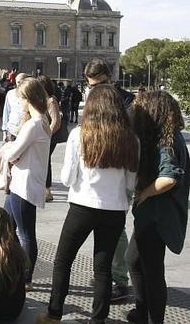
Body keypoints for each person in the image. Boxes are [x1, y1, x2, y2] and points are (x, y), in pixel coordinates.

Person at [37, 85, 139, 324]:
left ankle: (54, 314)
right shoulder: (130, 138)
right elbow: (132, 181)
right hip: (114, 210)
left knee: (63, 260)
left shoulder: (80, 134)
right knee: (102, 268)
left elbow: (67, 178)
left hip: (82, 205)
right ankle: (98, 319)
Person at [126, 91, 189, 324]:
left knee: (152, 272)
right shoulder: (168, 135)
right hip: (153, 216)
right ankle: (142, 311)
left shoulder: (167, 140)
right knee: (133, 260)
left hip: (157, 217)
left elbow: (169, 178)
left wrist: (144, 193)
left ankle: (153, 319)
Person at [84, 58, 133, 301]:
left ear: (110, 79)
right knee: (101, 227)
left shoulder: (127, 101)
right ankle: (107, 272)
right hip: (98, 169)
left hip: (120, 172)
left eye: (101, 85)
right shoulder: (92, 98)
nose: (98, 91)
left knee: (118, 229)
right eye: (93, 86)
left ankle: (120, 279)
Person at [1, 77, 50, 290]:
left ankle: (27, 278)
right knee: (7, 226)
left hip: (25, 183)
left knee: (25, 233)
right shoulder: (42, 121)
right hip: (22, 182)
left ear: (27, 98)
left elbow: (13, 152)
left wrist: (6, 149)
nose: (18, 102)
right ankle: (10, 267)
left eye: (20, 98)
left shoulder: (34, 124)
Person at [36, 76, 61, 203]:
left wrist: (47, 135)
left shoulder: (51, 101)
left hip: (49, 137)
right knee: (43, 161)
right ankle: (44, 189)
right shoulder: (41, 100)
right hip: (43, 136)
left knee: (45, 161)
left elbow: (56, 121)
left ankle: (47, 190)